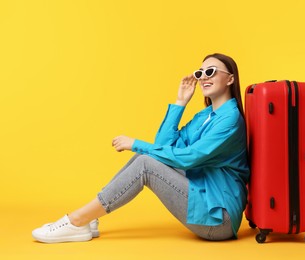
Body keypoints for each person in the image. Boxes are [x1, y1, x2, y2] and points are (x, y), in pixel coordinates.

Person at [32, 53, 249, 243]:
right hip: (203, 193)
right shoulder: (206, 115)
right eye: (200, 73)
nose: (204, 77)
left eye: (210, 71)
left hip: (218, 218)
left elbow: (189, 158)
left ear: (230, 79)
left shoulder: (229, 119)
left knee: (146, 162)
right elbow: (163, 147)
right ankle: (88, 218)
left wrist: (135, 143)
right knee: (144, 158)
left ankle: (77, 220)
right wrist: (180, 102)